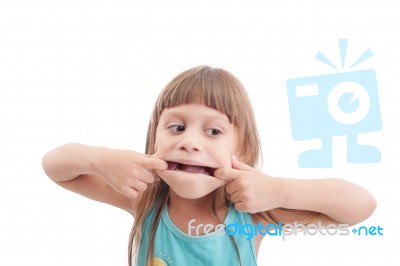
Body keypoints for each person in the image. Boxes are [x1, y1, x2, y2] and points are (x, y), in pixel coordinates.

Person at [42, 65, 377, 266]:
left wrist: (277, 189)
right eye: (176, 127)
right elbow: (56, 168)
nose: (190, 141)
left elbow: (361, 205)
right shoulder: (143, 199)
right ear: (153, 139)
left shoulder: (253, 214)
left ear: (241, 148)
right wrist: (101, 159)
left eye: (213, 131)